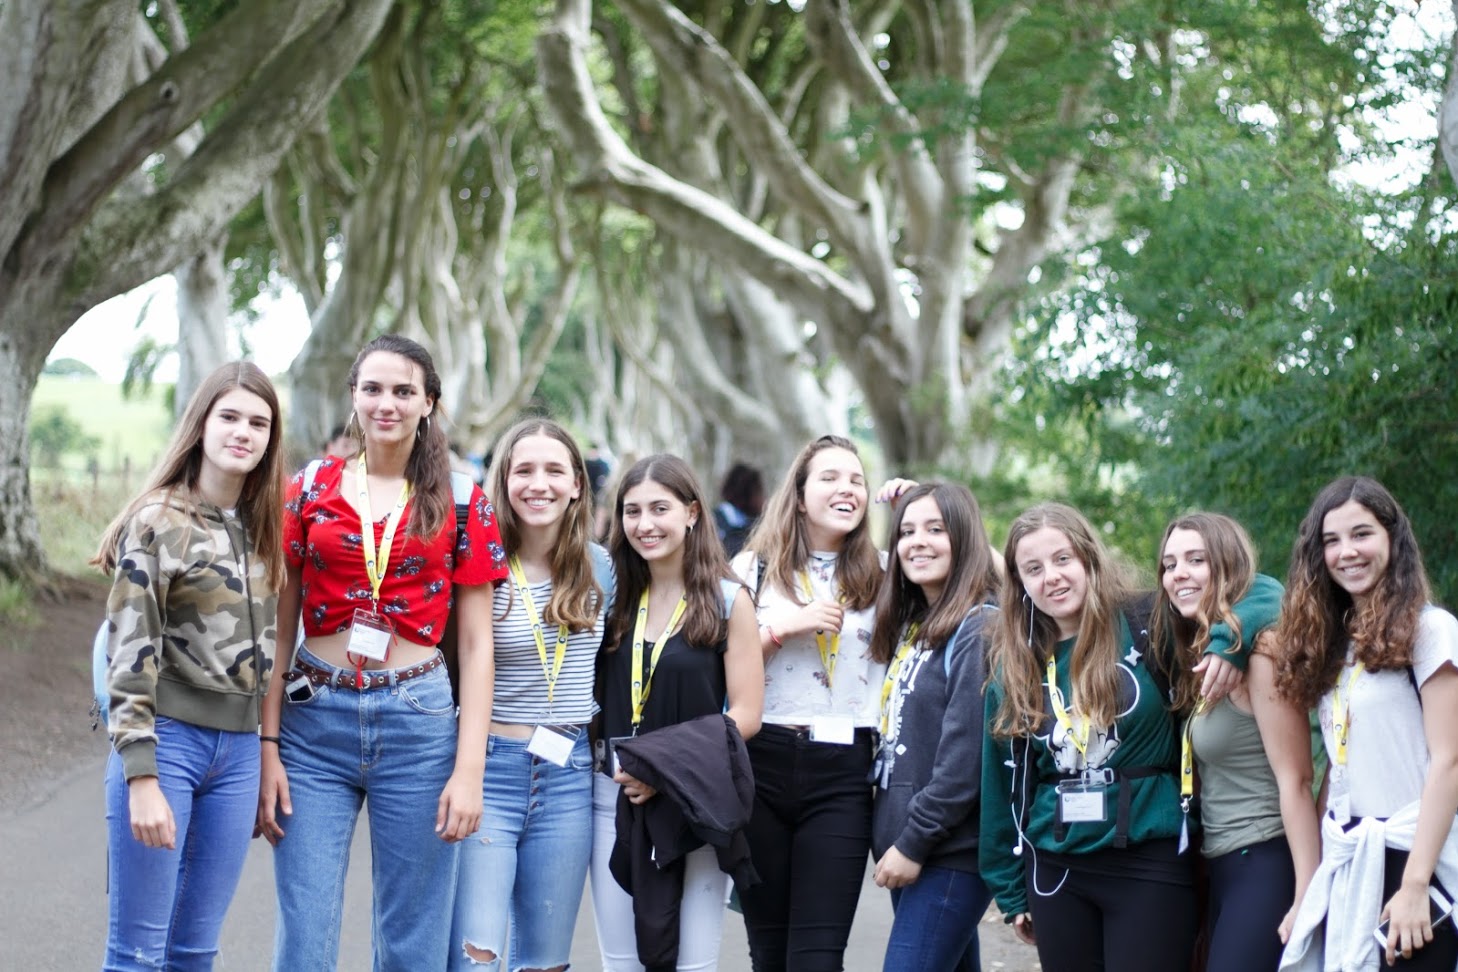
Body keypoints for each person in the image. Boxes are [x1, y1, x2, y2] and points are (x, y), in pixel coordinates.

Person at [256, 335, 508, 971]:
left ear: (429, 404)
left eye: (403, 391)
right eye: (372, 388)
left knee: (412, 940)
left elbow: (478, 647)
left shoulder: (460, 498)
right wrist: (268, 745)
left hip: (418, 722)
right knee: (305, 933)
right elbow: (278, 629)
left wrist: (469, 770)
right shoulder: (308, 487)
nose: (386, 403)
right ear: (353, 398)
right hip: (314, 722)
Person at [978, 502, 1277, 972]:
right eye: (1032, 569)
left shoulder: (1145, 620)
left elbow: (1263, 590)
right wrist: (1010, 889)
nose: (1051, 577)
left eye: (1062, 560)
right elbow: (1001, 784)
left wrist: (1227, 648)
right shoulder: (1014, 664)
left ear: (1088, 560)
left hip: (1149, 857)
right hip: (1057, 866)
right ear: (1018, 584)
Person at [94, 361, 286, 971]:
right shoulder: (156, 520)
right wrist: (141, 776)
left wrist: (261, 751)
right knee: (137, 954)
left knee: (196, 952)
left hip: (236, 757)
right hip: (167, 743)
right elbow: (126, 656)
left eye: (259, 422)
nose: (244, 432)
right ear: (200, 425)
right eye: (229, 416)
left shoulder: (263, 529)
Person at [1276, 477, 1458, 971]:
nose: (1346, 552)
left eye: (1361, 534)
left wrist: (1415, 884)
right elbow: (1339, 768)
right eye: (1331, 540)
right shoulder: (1336, 645)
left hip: (1417, 858)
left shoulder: (1430, 629)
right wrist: (1312, 890)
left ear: (1392, 539)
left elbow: (1450, 761)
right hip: (1352, 860)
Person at [590, 454, 764, 972]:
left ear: (691, 513)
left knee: (693, 965)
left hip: (694, 796)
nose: (645, 525)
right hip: (611, 795)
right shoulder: (611, 597)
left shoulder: (729, 600)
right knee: (622, 962)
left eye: (659, 509)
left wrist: (664, 769)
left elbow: (748, 713)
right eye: (632, 511)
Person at [448, 419, 610, 972]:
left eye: (554, 471)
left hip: (568, 775)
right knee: (477, 958)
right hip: (489, 770)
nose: (538, 484)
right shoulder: (480, 565)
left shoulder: (603, 569)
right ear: (504, 480)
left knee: (544, 963)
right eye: (524, 470)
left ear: (576, 486)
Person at [729, 435, 886, 972]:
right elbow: (712, 664)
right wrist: (777, 630)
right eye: (830, 477)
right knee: (768, 954)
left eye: (856, 480)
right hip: (760, 762)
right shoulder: (750, 569)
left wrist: (922, 502)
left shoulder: (889, 574)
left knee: (817, 959)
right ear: (797, 496)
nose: (846, 489)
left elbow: (979, 580)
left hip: (843, 772)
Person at [1153, 513, 1314, 971]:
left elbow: (1298, 778)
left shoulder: (1260, 653)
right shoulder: (1207, 652)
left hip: (1264, 861)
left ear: (1226, 567)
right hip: (1220, 864)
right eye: (1169, 564)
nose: (1178, 573)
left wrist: (1308, 891)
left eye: (1195, 560)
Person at [868, 483, 999, 971]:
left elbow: (964, 760)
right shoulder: (918, 626)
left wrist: (913, 841)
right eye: (906, 531)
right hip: (916, 851)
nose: (917, 541)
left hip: (948, 853)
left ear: (964, 539)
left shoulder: (980, 626)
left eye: (935, 529)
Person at [713, 462, 765, 558]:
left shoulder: (750, 521)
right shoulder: (719, 523)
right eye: (759, 491)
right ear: (746, 492)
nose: (763, 498)